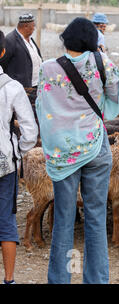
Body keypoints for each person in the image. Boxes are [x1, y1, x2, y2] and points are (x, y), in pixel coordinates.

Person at [36, 18, 119, 284]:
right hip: (95, 147)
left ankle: (59, 279)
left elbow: (42, 107)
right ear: (92, 40)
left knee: (63, 221)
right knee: (97, 218)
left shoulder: (47, 68)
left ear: (65, 39)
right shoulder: (101, 63)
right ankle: (96, 280)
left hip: (62, 153)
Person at [0, 30, 38, 285]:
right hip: (4, 162)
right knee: (5, 220)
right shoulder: (11, 87)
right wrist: (19, 152)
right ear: (3, 52)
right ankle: (9, 279)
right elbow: (30, 130)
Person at [0, 14, 43, 90]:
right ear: (25, 26)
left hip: (35, 84)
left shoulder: (30, 39)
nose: (34, 28)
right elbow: (3, 63)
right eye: (33, 26)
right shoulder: (10, 40)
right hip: (21, 87)